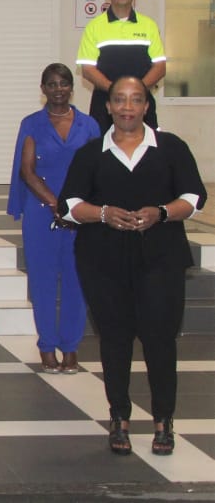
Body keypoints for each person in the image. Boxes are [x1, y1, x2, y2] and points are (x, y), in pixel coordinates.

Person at [58, 76, 205, 457]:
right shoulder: (91, 153)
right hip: (103, 261)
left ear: (146, 106)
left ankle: (163, 421)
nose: (127, 107)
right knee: (115, 340)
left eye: (135, 99)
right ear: (108, 106)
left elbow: (194, 197)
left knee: (160, 340)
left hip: (161, 260)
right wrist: (103, 213)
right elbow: (68, 205)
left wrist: (162, 213)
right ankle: (119, 418)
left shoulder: (170, 148)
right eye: (120, 100)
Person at [6, 64, 100, 374]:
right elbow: (27, 170)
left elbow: (97, 169)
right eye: (51, 84)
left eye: (63, 83)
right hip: (41, 212)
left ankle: (70, 346)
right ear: (43, 89)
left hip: (80, 213)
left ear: (72, 87)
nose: (58, 89)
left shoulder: (89, 125)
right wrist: (55, 203)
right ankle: (47, 346)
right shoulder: (31, 124)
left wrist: (77, 207)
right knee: (43, 280)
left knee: (76, 280)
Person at [76, 0, 166, 132]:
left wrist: (135, 92)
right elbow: (88, 70)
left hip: (141, 106)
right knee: (102, 148)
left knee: (148, 147)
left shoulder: (149, 26)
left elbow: (160, 67)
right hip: (104, 107)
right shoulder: (94, 27)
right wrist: (116, 92)